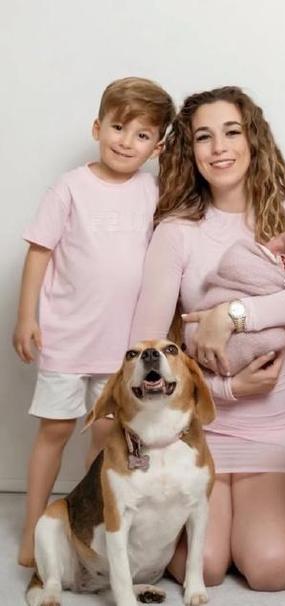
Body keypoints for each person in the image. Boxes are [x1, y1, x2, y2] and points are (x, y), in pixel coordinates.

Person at [129, 86, 285, 590]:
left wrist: (233, 315)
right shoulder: (177, 231)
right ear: (190, 150)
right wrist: (226, 389)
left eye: (231, 132)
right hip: (195, 429)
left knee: (270, 568)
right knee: (205, 566)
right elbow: (145, 346)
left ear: (253, 139)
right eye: (203, 137)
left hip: (277, 431)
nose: (219, 148)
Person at [12, 76, 175, 567]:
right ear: (96, 127)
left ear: (157, 148)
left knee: (107, 438)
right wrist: (26, 316)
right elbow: (40, 252)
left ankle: (90, 528)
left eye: (142, 135)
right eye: (118, 127)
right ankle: (33, 530)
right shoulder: (70, 187)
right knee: (56, 431)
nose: (126, 142)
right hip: (65, 337)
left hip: (121, 346)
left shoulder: (152, 191)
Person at [186, 227, 285, 376]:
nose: (271, 237)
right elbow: (232, 263)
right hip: (202, 329)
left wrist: (231, 316)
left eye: (277, 238)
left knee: (274, 337)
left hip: (209, 342)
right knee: (277, 337)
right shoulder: (247, 259)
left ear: (282, 259)